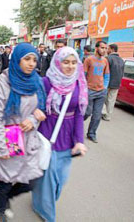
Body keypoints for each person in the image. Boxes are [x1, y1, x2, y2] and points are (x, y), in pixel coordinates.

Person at [0, 43, 46, 221]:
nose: (31, 64)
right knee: (5, 179)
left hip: (30, 138)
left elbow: (41, 109)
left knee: (33, 178)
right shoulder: (3, 83)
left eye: (34, 60)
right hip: (9, 136)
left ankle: (7, 198)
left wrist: (35, 119)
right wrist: (1, 147)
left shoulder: (36, 80)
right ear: (17, 60)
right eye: (27, 59)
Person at [32, 46, 88, 222]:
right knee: (48, 178)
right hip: (48, 133)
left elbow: (79, 113)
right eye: (66, 62)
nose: (70, 66)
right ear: (57, 63)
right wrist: (34, 111)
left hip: (68, 136)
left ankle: (39, 198)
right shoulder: (46, 82)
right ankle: (47, 213)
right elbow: (33, 104)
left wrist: (79, 140)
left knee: (60, 180)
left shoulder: (78, 83)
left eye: (73, 62)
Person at [84, 41, 110, 143]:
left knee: (97, 115)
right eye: (102, 48)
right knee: (87, 112)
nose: (104, 50)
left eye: (105, 48)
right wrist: (84, 88)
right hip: (89, 90)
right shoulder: (88, 60)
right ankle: (75, 124)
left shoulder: (105, 61)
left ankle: (91, 133)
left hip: (101, 92)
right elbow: (83, 75)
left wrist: (105, 87)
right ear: (96, 48)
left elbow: (107, 75)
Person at [102, 44, 125, 121]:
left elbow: (104, 71)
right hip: (116, 84)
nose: (106, 50)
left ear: (111, 49)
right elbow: (122, 73)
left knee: (102, 97)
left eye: (107, 49)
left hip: (107, 83)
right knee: (111, 100)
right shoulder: (121, 60)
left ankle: (103, 112)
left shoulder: (108, 58)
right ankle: (108, 116)